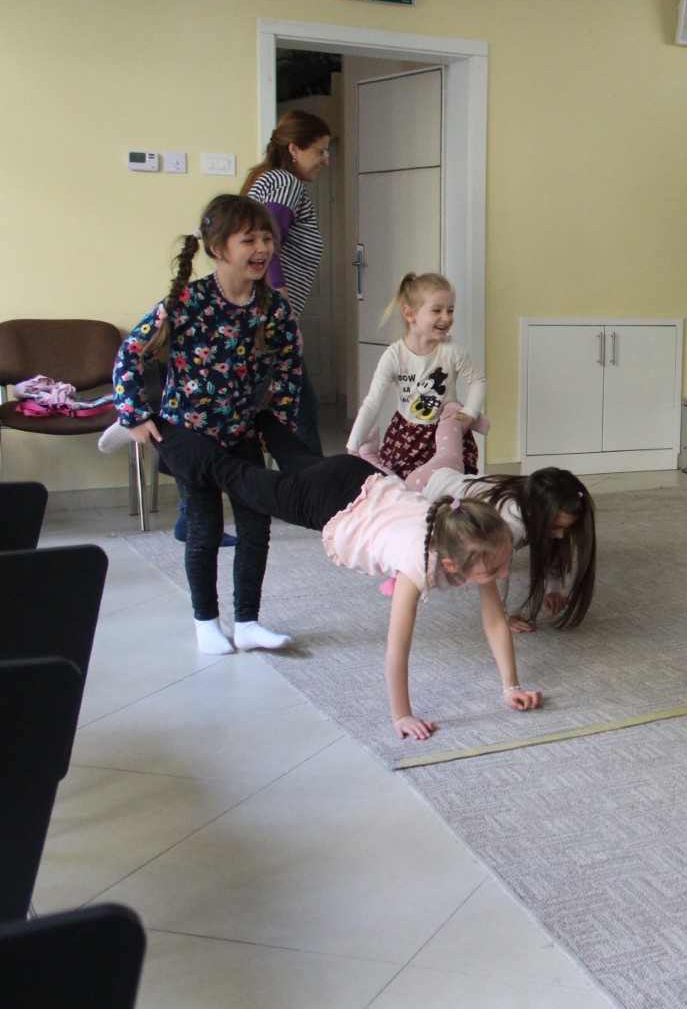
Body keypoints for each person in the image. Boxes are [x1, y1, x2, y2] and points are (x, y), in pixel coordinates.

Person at [142, 413, 541, 741]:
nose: (504, 574)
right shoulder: (417, 565)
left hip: (355, 474)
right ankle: (154, 428)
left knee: (302, 461)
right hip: (330, 501)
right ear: (451, 566)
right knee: (231, 474)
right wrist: (402, 715)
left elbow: (494, 620)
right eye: (495, 570)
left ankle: (261, 417)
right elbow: (397, 648)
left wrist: (511, 687)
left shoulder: (470, 540)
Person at [105, 195, 302, 655]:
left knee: (256, 526)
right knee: (205, 528)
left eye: (267, 238)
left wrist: (277, 425)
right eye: (248, 239)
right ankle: (206, 623)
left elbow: (290, 368)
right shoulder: (188, 302)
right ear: (217, 248)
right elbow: (130, 353)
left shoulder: (272, 308)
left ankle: (247, 622)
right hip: (187, 435)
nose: (262, 248)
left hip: (240, 432)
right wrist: (134, 416)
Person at [407, 407, 598, 634]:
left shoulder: (535, 494)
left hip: (451, 476)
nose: (560, 535)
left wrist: (553, 588)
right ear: (533, 513)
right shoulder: (510, 525)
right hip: (423, 487)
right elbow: (495, 573)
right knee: (391, 479)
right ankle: (451, 413)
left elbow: (554, 546)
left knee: (448, 451)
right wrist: (502, 617)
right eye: (556, 527)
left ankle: (454, 417)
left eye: (565, 529)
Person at [243, 109, 331, 453]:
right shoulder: (284, 183)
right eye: (319, 151)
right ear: (294, 149)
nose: (325, 160)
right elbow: (266, 247)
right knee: (282, 407)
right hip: (267, 313)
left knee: (301, 405)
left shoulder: (271, 180)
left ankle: (307, 481)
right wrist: (285, 311)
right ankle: (311, 487)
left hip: (261, 310)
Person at [347, 272, 487, 479]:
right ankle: (369, 455)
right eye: (437, 310)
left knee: (446, 481)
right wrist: (353, 445)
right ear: (410, 314)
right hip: (407, 436)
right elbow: (372, 402)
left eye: (450, 310)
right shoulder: (394, 355)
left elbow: (478, 381)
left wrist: (470, 414)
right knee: (402, 483)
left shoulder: (452, 350)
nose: (446, 317)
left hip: (444, 433)